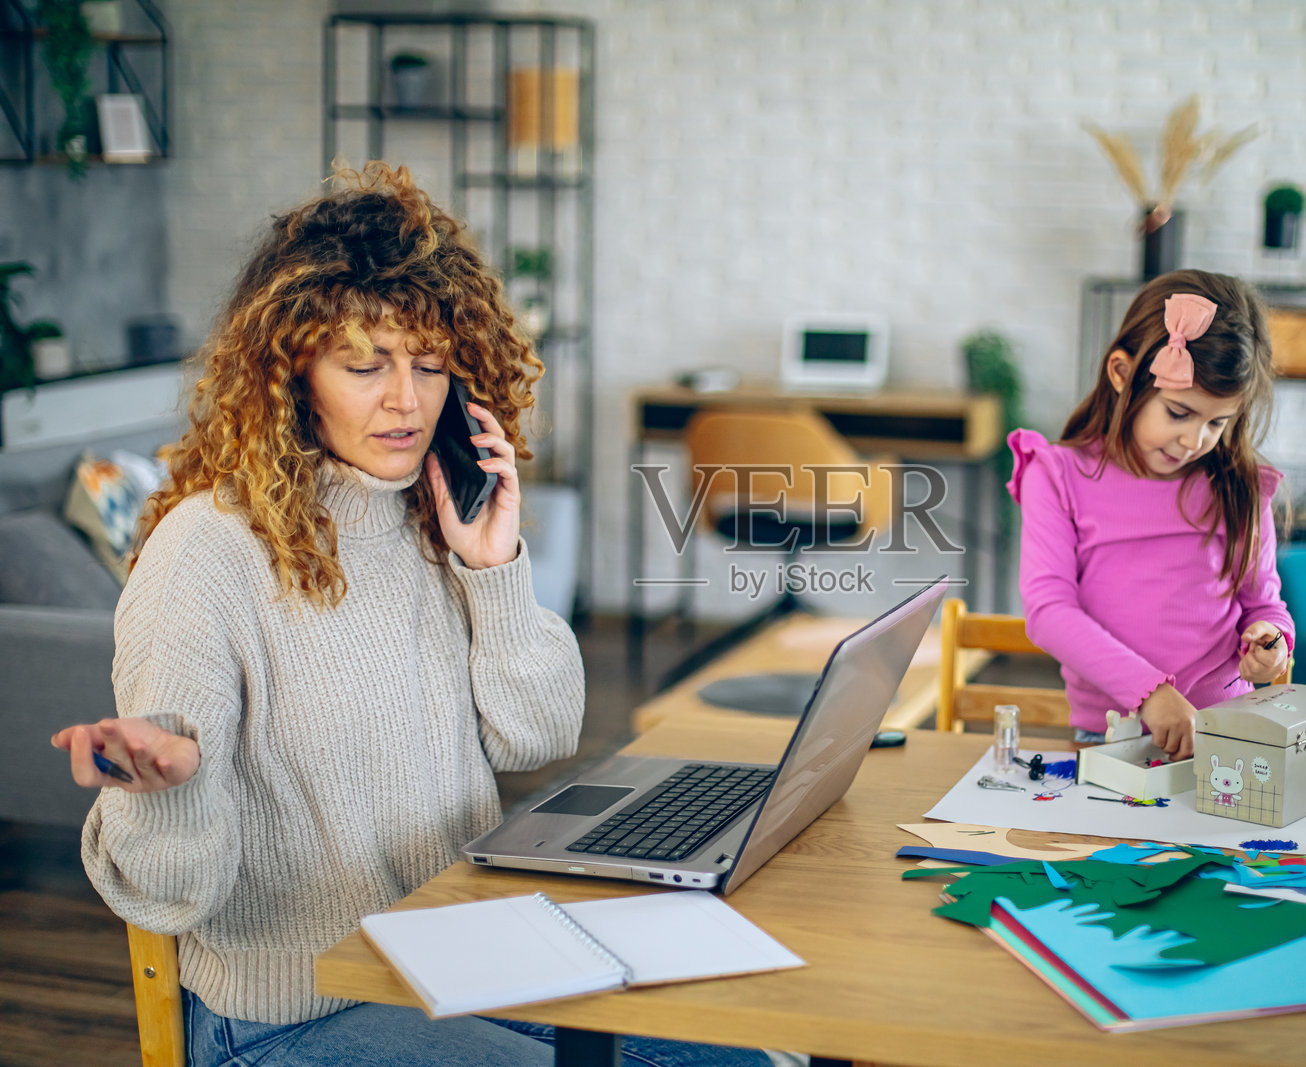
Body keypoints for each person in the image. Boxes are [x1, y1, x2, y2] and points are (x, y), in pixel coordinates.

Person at [50, 163, 768, 1067]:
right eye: (365, 365)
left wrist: (497, 567)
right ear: (292, 371)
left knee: (739, 1055)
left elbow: (537, 735)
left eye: (431, 366)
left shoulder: (431, 515)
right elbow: (169, 893)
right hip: (295, 1009)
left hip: (466, 962)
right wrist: (170, 788)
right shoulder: (206, 552)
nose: (406, 400)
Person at [1009, 269, 1294, 762]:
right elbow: (1048, 611)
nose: (1195, 441)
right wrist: (1150, 693)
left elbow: (1263, 604)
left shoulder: (1239, 486)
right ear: (1121, 374)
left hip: (1223, 734)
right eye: (1179, 414)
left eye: (1217, 423)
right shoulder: (1056, 475)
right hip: (1109, 737)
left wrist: (1271, 644)